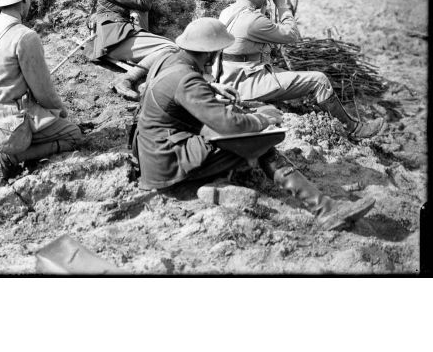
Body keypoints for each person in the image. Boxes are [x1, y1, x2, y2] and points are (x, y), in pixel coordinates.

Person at [135, 17, 375, 231]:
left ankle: (214, 185)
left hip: (153, 151)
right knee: (260, 145)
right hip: (167, 161)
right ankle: (326, 210)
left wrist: (211, 87)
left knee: (236, 142)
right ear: (210, 52)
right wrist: (262, 119)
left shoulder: (169, 60)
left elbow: (171, 91)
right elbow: (228, 124)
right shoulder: (187, 80)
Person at [217, 0, 384, 139]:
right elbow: (293, 35)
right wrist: (281, 4)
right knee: (319, 80)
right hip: (247, 83)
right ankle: (354, 129)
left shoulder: (227, 12)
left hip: (230, 78)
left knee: (290, 76)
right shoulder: (253, 19)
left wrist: (264, 6)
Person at [0, 0, 82, 186]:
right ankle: (5, 158)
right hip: (12, 124)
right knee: (73, 134)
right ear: (23, 2)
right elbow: (44, 92)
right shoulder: (25, 36)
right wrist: (60, 111)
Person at [91, 0, 177, 101]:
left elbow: (137, 1)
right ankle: (126, 80)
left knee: (168, 49)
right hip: (115, 41)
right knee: (171, 48)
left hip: (119, 38)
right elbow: (143, 2)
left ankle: (147, 83)